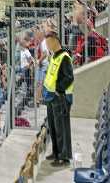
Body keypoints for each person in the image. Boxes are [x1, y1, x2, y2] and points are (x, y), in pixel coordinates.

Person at [43, 35, 74, 167]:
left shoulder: (64, 57)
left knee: (61, 128)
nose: (47, 46)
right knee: (53, 127)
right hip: (51, 96)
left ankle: (64, 156)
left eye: (49, 43)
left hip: (60, 97)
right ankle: (56, 153)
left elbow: (69, 77)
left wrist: (58, 90)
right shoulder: (54, 56)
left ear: (56, 42)